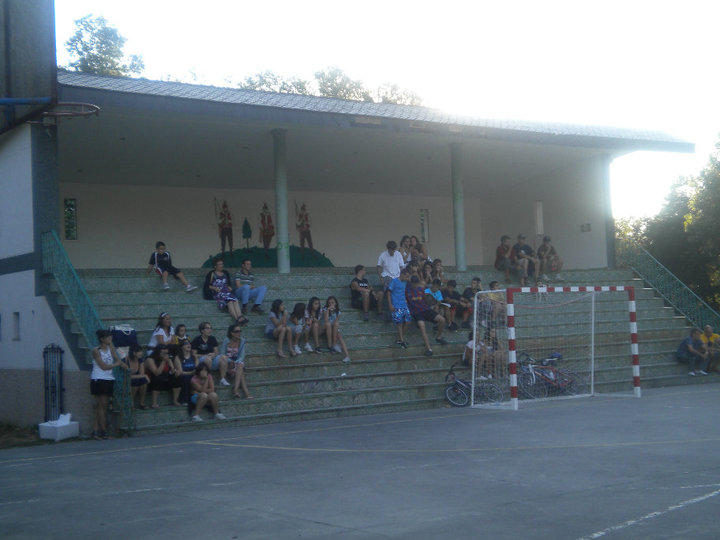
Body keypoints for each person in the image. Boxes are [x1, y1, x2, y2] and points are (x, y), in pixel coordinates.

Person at [90, 329, 125, 440]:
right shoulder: (96, 350)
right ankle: (103, 430)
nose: (110, 339)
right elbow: (103, 366)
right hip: (99, 378)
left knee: (101, 406)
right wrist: (116, 365)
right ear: (102, 339)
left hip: (109, 378)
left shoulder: (110, 348)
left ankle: (96, 430)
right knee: (102, 404)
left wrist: (126, 367)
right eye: (108, 337)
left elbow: (117, 359)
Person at [406, 275, 447, 356]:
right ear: (411, 283)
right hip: (417, 312)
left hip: (426, 309)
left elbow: (426, 299)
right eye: (414, 283)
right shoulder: (407, 291)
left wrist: (433, 304)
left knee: (442, 320)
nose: (415, 285)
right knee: (422, 328)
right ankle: (429, 349)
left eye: (416, 283)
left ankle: (438, 337)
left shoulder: (421, 290)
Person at [203, 257, 248, 325]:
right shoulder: (212, 274)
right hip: (218, 293)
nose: (222, 266)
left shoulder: (225, 273)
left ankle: (240, 317)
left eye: (222, 264)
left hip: (226, 292)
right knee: (230, 302)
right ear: (215, 266)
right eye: (220, 264)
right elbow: (207, 286)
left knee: (235, 300)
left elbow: (228, 284)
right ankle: (238, 319)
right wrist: (214, 288)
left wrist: (229, 287)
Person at [191, 322, 230, 386]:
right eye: (207, 328)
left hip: (212, 359)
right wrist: (205, 355)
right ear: (202, 330)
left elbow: (216, 352)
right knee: (208, 359)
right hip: (201, 360)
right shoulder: (196, 340)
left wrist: (214, 354)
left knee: (224, 357)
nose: (210, 330)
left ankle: (222, 379)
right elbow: (194, 354)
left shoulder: (212, 338)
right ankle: (208, 379)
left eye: (210, 328)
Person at [220, 323, 252, 399]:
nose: (239, 333)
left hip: (237, 363)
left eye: (240, 331)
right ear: (232, 333)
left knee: (240, 365)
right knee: (240, 369)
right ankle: (246, 393)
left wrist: (235, 362)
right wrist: (230, 361)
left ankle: (236, 390)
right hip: (227, 364)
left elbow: (242, 356)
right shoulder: (226, 340)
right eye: (237, 331)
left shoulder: (242, 341)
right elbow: (222, 354)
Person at [144, 344, 181, 408]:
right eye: (163, 353)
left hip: (164, 378)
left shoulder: (167, 359)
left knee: (177, 378)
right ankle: (154, 403)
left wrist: (174, 370)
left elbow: (172, 371)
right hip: (150, 380)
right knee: (158, 379)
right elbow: (156, 373)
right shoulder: (150, 359)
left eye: (166, 353)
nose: (165, 355)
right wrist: (163, 361)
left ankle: (175, 400)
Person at [387, 269, 412, 348]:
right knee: (399, 323)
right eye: (406, 276)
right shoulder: (394, 281)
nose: (407, 278)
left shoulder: (405, 282)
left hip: (404, 304)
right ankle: (401, 340)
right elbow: (388, 292)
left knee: (408, 321)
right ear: (402, 274)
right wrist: (390, 304)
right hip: (396, 305)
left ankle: (400, 338)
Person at [322, 296, 351, 363]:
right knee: (328, 324)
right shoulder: (325, 309)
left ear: (335, 303)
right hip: (326, 326)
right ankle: (330, 345)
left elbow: (336, 322)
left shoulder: (338, 312)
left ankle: (347, 356)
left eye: (332, 302)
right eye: (329, 303)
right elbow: (326, 320)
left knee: (339, 334)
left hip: (333, 327)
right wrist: (328, 310)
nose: (331, 304)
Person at [125, 343, 149, 409]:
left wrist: (144, 376)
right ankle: (131, 403)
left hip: (135, 377)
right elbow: (127, 376)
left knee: (143, 381)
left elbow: (141, 374)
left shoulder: (140, 360)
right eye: (139, 351)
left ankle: (142, 403)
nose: (141, 353)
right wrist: (144, 376)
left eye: (141, 351)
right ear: (134, 353)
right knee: (136, 381)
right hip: (125, 379)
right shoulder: (126, 360)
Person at [173, 339, 197, 405]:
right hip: (183, 376)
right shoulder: (178, 357)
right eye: (186, 343)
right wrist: (191, 373)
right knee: (185, 378)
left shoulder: (194, 356)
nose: (189, 345)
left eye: (189, 343)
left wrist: (194, 372)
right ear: (181, 347)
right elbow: (180, 371)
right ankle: (184, 400)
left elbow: (197, 368)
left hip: (193, 375)